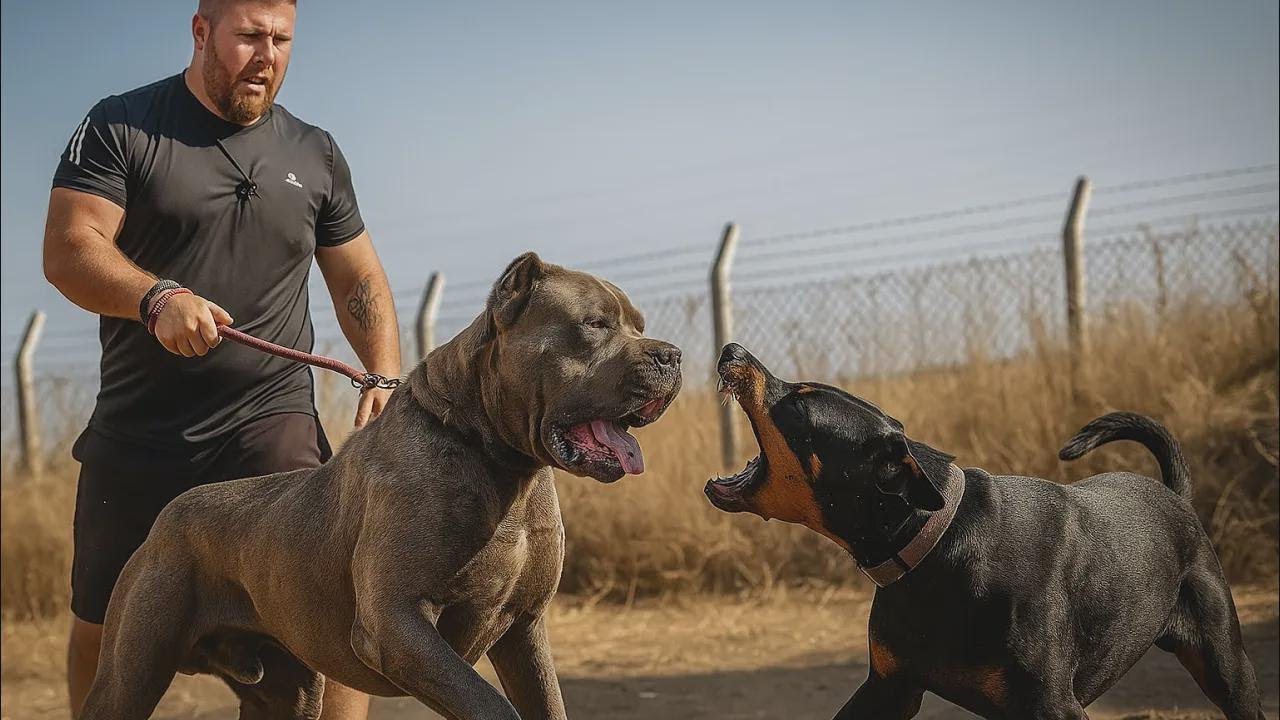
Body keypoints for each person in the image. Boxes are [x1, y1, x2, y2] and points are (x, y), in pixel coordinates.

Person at [42, 1, 398, 717]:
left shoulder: (316, 152)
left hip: (271, 426)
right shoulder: (121, 125)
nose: (266, 54)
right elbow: (69, 248)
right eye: (248, 37)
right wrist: (155, 298)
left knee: (332, 618)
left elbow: (358, 277)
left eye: (281, 39)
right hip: (141, 432)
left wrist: (384, 372)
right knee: (102, 629)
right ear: (201, 32)